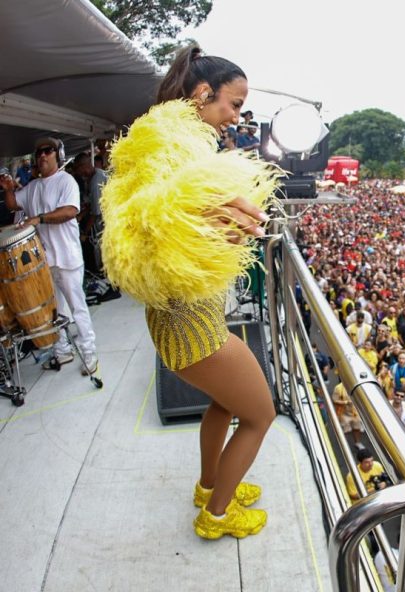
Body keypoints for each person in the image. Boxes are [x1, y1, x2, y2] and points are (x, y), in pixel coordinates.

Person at [100, 46, 277, 540]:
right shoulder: (176, 145)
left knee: (225, 405)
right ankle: (216, 516)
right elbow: (158, 211)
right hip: (191, 326)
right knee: (261, 415)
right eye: (233, 105)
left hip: (185, 319)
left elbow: (179, 217)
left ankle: (208, 486)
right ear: (203, 93)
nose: (235, 118)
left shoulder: (172, 137)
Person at [1, 137, 99, 374]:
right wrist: (8, 190)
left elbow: (69, 211)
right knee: (55, 311)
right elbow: (14, 205)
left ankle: (89, 353)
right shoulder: (33, 187)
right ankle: (63, 350)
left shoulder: (66, 182)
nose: (42, 155)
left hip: (67, 258)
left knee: (77, 308)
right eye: (39, 152)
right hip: (45, 263)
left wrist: (40, 218)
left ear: (58, 155)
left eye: (48, 151)